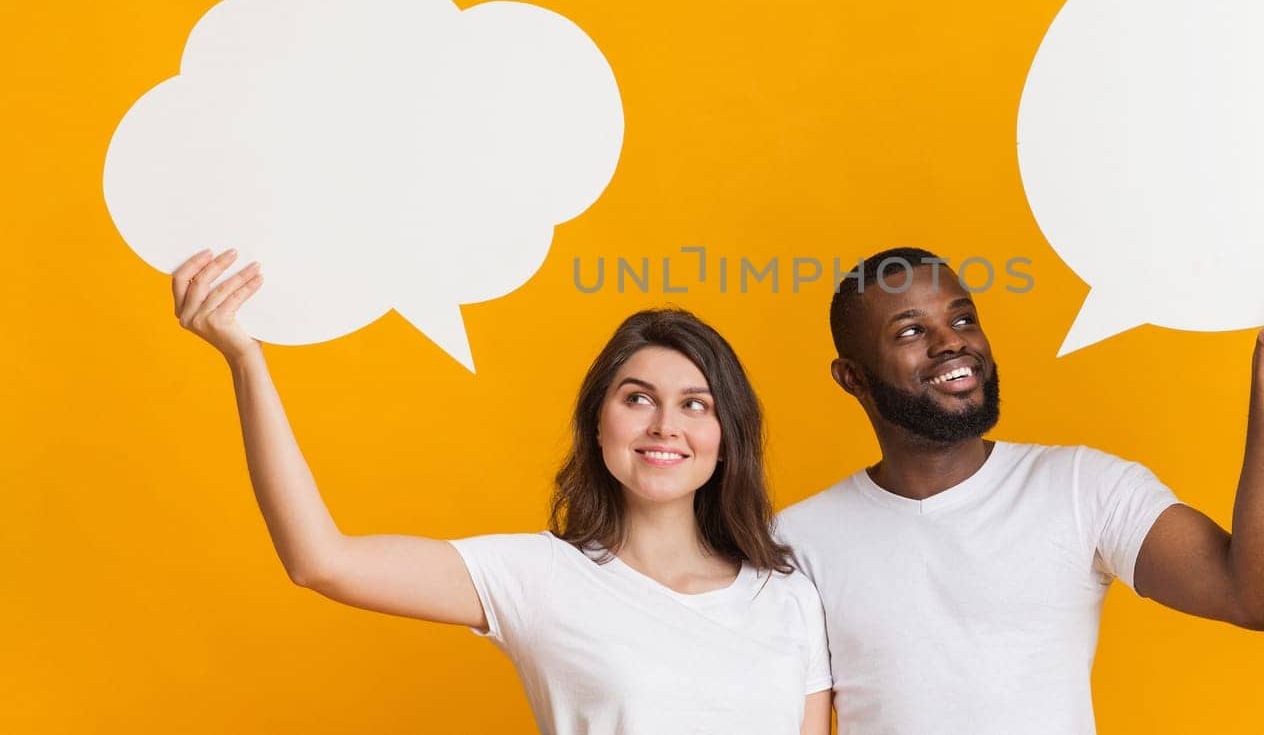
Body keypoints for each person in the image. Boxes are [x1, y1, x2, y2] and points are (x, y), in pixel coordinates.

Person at [170, 248, 832, 734]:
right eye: (639, 399)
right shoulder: (538, 577)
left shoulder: (788, 596)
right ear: (599, 422)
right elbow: (320, 561)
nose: (665, 425)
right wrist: (245, 359)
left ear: (727, 434)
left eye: (696, 405)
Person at [775, 243, 1264, 734]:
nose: (952, 342)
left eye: (963, 317)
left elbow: (1260, 598)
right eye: (910, 331)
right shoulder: (796, 542)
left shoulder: (1080, 487)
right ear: (851, 377)